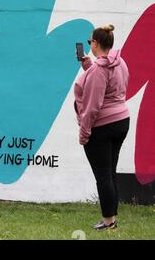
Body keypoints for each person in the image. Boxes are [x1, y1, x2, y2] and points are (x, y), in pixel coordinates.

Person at [74, 24, 130, 230]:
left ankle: (108, 221)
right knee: (110, 172)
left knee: (103, 175)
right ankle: (112, 219)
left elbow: (92, 106)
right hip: (121, 121)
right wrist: (90, 68)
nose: (90, 45)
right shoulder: (120, 62)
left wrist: (84, 132)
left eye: (90, 42)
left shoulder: (99, 69)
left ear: (96, 43)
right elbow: (113, 87)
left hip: (103, 126)